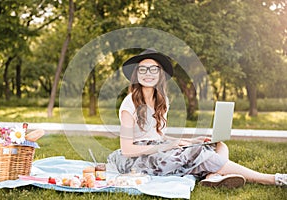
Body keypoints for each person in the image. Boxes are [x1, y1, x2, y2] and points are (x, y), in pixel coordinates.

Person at [107, 48, 286, 188]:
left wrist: (189, 140)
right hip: (135, 162)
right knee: (200, 155)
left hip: (157, 150)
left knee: (217, 145)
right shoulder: (129, 104)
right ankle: (271, 179)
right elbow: (127, 150)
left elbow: (157, 137)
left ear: (160, 74)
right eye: (143, 69)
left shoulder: (162, 101)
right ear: (136, 74)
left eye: (154, 69)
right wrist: (168, 146)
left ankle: (212, 176)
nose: (148, 73)